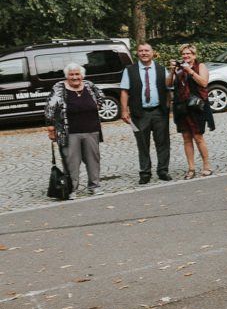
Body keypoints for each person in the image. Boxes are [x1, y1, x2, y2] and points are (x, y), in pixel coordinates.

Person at [45, 63, 106, 196]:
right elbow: (50, 108)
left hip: (91, 129)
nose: (74, 77)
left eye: (77, 74)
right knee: (71, 161)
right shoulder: (59, 88)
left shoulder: (89, 85)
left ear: (82, 75)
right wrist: (51, 127)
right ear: (67, 76)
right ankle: (72, 189)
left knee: (93, 160)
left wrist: (94, 106)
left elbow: (101, 97)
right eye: (71, 74)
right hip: (69, 132)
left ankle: (94, 186)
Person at [120, 43, 171, 184]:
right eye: (141, 51)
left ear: (152, 52)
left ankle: (163, 170)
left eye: (146, 50)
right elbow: (124, 90)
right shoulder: (130, 70)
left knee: (163, 143)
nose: (144, 53)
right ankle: (145, 173)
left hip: (159, 112)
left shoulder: (161, 69)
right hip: (139, 113)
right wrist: (124, 110)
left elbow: (168, 88)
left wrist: (167, 107)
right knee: (142, 144)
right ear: (137, 53)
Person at [167, 44, 213, 179]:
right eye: (183, 54)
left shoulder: (200, 66)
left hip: (196, 107)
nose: (186, 56)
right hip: (182, 107)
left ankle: (206, 166)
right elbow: (169, 84)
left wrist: (190, 71)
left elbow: (204, 83)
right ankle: (191, 168)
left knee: (198, 137)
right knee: (186, 138)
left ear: (194, 55)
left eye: (189, 54)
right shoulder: (179, 69)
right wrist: (172, 71)